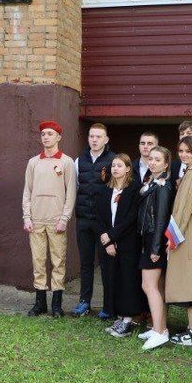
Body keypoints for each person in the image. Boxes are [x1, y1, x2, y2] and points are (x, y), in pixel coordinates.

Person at [22, 120, 78, 317]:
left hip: (56, 221)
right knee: (38, 262)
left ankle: (56, 304)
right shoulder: (33, 162)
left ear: (58, 137)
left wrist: (64, 218)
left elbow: (71, 192)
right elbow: (27, 192)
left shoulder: (66, 162)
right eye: (43, 134)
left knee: (58, 261)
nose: (46, 137)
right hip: (36, 220)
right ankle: (40, 303)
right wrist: (26, 216)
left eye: (50, 134)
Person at [96, 154, 145, 337]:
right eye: (113, 165)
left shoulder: (134, 190)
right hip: (108, 244)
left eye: (119, 165)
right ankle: (118, 315)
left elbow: (131, 218)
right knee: (111, 279)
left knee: (127, 280)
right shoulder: (104, 190)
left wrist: (113, 235)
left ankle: (127, 320)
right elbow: (99, 216)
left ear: (127, 169)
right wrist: (107, 240)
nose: (115, 169)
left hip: (127, 243)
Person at [166, 137, 192, 346]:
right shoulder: (190, 172)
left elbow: (183, 208)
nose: (183, 154)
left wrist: (173, 236)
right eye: (181, 150)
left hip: (187, 230)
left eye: (188, 151)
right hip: (189, 228)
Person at [73, 123, 115, 317]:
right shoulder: (78, 161)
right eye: (91, 136)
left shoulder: (113, 160)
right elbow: (75, 188)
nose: (95, 140)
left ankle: (108, 306)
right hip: (83, 220)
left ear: (106, 139)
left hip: (104, 223)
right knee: (86, 263)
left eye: (99, 136)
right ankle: (84, 302)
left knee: (106, 264)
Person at [138, 146, 174, 350]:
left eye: (157, 160)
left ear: (166, 164)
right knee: (157, 286)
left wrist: (155, 247)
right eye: (150, 159)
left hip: (154, 239)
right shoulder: (151, 182)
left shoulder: (163, 186)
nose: (152, 162)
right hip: (148, 238)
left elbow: (161, 219)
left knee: (148, 286)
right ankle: (160, 327)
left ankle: (160, 332)